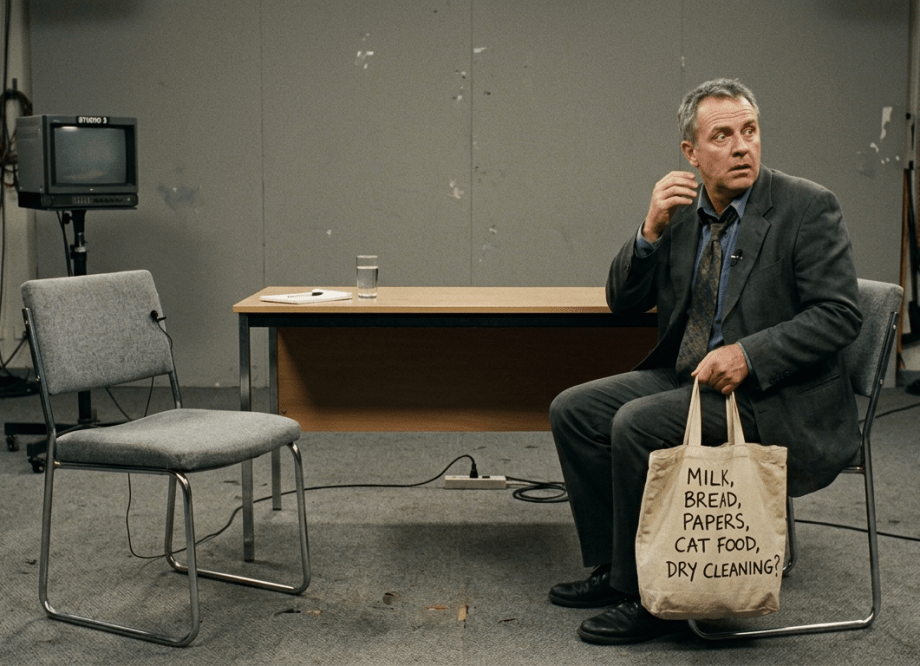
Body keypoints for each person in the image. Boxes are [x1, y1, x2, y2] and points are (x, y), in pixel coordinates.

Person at [548, 78, 862, 645]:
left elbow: (840, 315)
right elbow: (623, 301)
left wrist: (749, 353)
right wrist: (648, 231)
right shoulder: (684, 211)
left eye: (750, 131)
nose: (743, 146)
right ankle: (613, 566)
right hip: (691, 377)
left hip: (775, 398)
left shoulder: (807, 207)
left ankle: (644, 595)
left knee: (636, 423)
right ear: (691, 153)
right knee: (575, 410)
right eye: (723, 136)